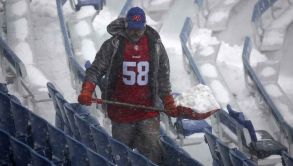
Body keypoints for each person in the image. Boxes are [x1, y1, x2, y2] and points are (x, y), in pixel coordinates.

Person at [78, 7, 218, 164]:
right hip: (120, 112)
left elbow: (163, 77)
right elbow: (96, 69)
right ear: (126, 26)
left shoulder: (155, 46)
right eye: (132, 29)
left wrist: (168, 101)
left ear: (144, 26)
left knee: (153, 154)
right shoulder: (114, 45)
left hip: (148, 111)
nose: (135, 33)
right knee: (121, 156)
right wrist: (87, 90)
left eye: (139, 29)